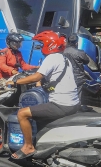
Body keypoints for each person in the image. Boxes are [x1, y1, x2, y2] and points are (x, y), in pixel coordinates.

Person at [10, 31, 80, 159]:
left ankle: (28, 147)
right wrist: (39, 82)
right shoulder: (64, 58)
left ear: (49, 45)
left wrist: (15, 81)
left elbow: (37, 76)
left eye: (42, 44)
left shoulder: (51, 58)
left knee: (22, 113)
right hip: (73, 103)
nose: (40, 47)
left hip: (61, 105)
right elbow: (51, 77)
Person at [62, 34, 90, 106]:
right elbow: (87, 61)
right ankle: (75, 112)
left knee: (66, 94)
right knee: (77, 96)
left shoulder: (63, 51)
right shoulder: (80, 52)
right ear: (76, 43)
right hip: (78, 78)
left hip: (65, 76)